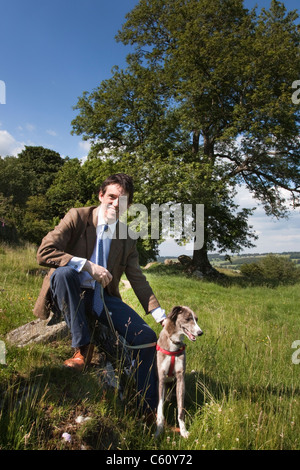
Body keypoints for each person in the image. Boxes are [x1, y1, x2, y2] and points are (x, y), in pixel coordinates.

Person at [33, 173, 166, 415]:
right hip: (69, 289)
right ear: (101, 196)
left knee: (147, 337)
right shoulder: (77, 216)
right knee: (63, 274)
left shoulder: (127, 236)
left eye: (123, 200)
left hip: (103, 297)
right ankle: (82, 349)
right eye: (112, 197)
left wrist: (161, 315)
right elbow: (44, 252)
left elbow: (137, 278)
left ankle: (149, 412)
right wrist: (85, 265)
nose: (116, 204)